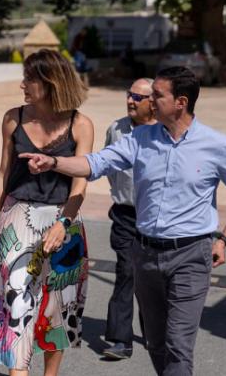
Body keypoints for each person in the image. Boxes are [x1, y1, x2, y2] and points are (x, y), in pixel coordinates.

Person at [21, 66, 226, 376]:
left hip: (190, 255)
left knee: (178, 344)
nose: (149, 101)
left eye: (157, 96)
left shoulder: (215, 144)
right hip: (144, 253)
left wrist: (224, 237)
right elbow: (97, 163)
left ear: (180, 102)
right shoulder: (141, 138)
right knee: (158, 343)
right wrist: (54, 162)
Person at [0, 49, 93, 376]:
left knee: (59, 309)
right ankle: (19, 371)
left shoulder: (80, 124)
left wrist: (64, 223)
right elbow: (3, 173)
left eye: (30, 78)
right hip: (18, 218)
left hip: (65, 221)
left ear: (51, 82)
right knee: (16, 298)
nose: (23, 84)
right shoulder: (13, 118)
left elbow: (80, 184)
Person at [102, 78, 156, 360]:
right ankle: (119, 340)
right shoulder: (116, 129)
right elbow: (109, 166)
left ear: (153, 102)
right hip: (125, 214)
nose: (130, 101)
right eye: (128, 94)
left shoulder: (164, 130)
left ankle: (153, 330)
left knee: (153, 277)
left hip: (158, 217)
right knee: (126, 272)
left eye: (137, 97)